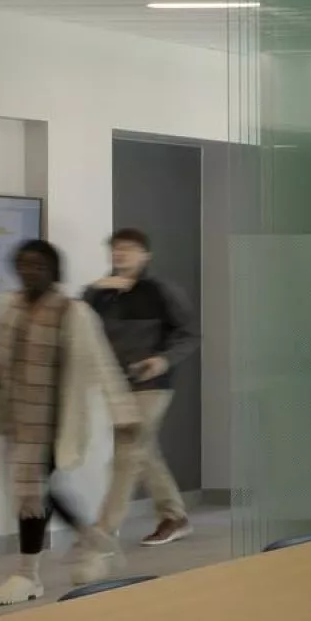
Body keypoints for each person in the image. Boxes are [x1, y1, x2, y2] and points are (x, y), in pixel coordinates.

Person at [0, 240, 140, 605]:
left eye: (37, 265)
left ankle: (27, 574)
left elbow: (102, 364)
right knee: (36, 493)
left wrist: (124, 411)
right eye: (22, 265)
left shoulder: (74, 313)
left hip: (53, 422)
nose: (29, 272)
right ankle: (91, 539)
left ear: (53, 270)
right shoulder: (9, 305)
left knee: (30, 494)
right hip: (16, 417)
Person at [82, 228, 197, 547]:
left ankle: (105, 529)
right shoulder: (102, 292)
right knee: (143, 450)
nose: (121, 254)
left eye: (129, 249)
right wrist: (93, 289)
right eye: (116, 249)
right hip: (117, 384)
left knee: (128, 450)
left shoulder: (161, 290)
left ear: (146, 255)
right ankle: (174, 516)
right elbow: (76, 321)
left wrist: (163, 360)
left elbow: (189, 334)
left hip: (153, 383)